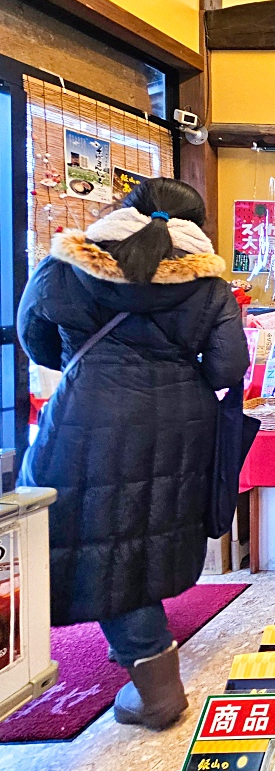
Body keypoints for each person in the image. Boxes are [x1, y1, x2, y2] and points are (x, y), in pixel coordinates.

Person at [18, 178, 248, 729]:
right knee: (149, 524)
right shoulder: (207, 285)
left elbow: (37, 339)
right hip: (179, 420)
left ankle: (156, 686)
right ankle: (140, 646)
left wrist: (86, 361)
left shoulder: (68, 264)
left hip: (84, 417)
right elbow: (226, 366)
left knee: (88, 528)